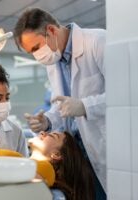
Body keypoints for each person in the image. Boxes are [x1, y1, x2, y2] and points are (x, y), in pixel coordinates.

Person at [14, 8, 106, 199]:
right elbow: (62, 105)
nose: (36, 56)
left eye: (36, 47)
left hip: (104, 146)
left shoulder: (97, 42)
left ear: (52, 31)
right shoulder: (54, 62)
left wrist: (85, 106)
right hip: (77, 153)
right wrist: (46, 121)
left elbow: (128, 95)